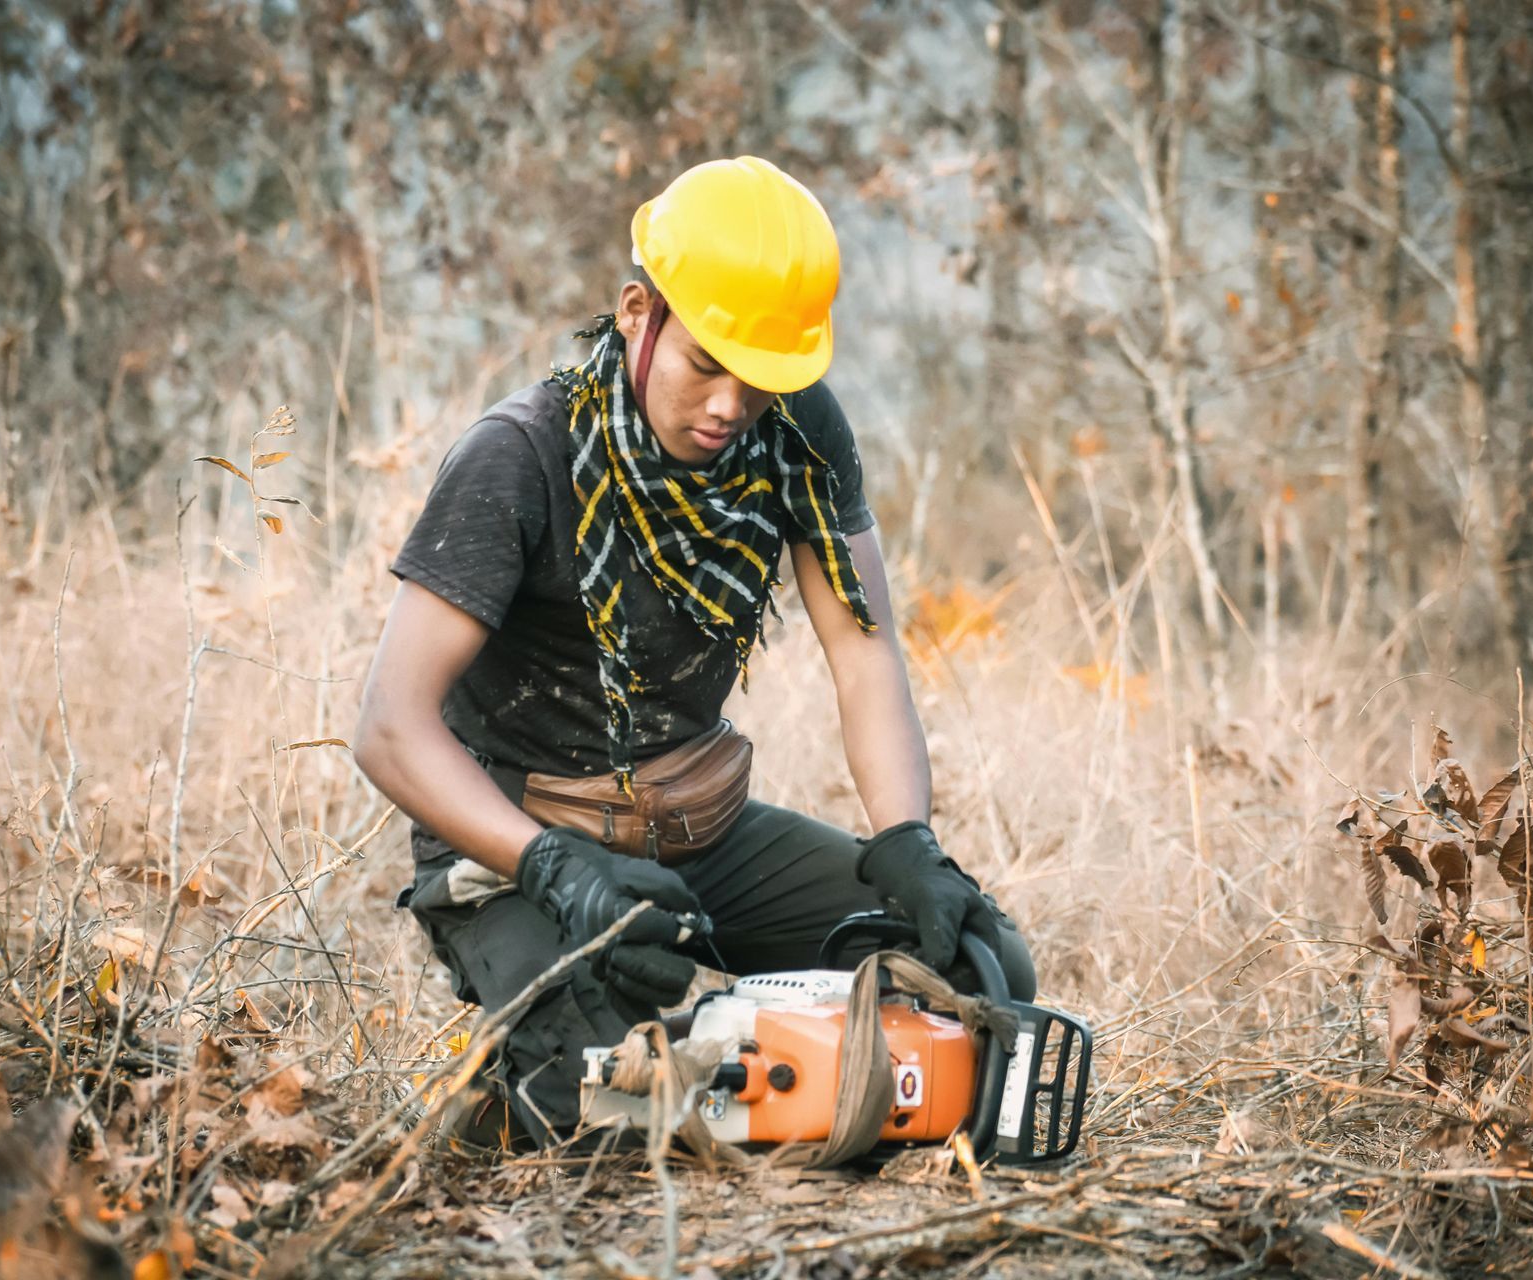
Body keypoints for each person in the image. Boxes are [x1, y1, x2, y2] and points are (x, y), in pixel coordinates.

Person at [353, 156, 1035, 1148]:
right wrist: (552, 867)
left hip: (697, 835)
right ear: (639, 313)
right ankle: (535, 1081)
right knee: (628, 1093)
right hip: (516, 845)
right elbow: (389, 726)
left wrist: (908, 845)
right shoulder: (518, 456)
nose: (727, 406)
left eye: (758, 380)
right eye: (705, 363)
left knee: (980, 967)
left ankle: (747, 1027)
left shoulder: (798, 433)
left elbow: (866, 657)